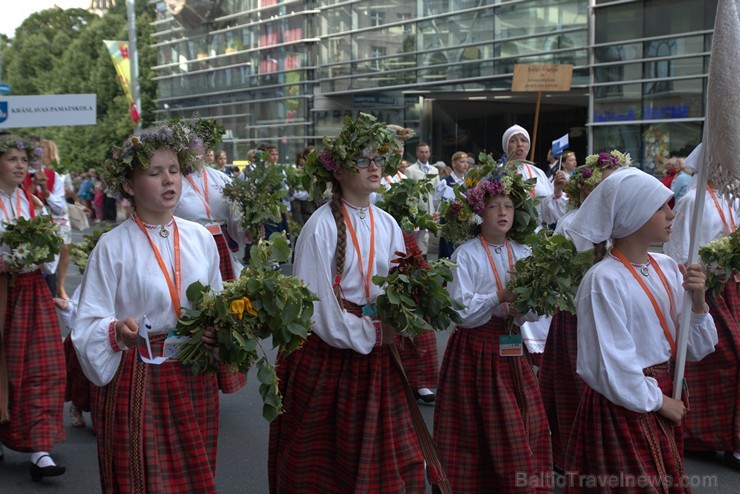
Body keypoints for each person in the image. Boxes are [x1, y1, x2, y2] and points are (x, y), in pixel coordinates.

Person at [269, 113, 427, 493]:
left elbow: (398, 286)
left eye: (377, 158)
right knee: (327, 460)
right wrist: (374, 332)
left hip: (377, 349)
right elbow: (318, 308)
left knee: (384, 452)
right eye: (362, 160)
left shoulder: (387, 222)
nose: (373, 166)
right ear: (338, 171)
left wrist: (399, 319)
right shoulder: (320, 227)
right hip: (331, 353)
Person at [72, 123, 224, 492]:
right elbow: (87, 321)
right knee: (142, 480)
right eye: (155, 173)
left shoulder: (200, 238)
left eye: (174, 170)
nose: (169, 180)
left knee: (194, 477)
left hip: (192, 371)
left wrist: (217, 331)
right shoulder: (112, 246)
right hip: (136, 374)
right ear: (128, 185)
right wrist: (116, 333)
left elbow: (219, 303)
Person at [563, 167, 718, 493]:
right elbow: (608, 363)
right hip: (626, 403)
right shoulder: (603, 279)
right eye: (660, 207)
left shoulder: (666, 268)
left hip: (663, 392)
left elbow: (697, 348)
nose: (670, 213)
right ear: (633, 214)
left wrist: (699, 301)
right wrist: (658, 401)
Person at [435, 166, 552, 492]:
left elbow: (532, 312)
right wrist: (497, 297)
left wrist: (522, 308)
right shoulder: (466, 255)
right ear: (478, 212)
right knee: (477, 424)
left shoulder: (524, 252)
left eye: (509, 206)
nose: (503, 212)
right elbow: (461, 313)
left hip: (512, 346)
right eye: (493, 206)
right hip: (476, 347)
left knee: (523, 418)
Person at [539, 149, 631, 470]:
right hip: (578, 313)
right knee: (572, 384)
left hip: (614, 311)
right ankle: (570, 454)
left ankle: (607, 455)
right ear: (585, 189)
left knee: (614, 383)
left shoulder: (625, 224)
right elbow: (558, 275)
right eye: (599, 186)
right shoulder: (570, 223)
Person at [664, 144, 739, 471]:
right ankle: (708, 435)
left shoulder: (733, 199)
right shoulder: (693, 201)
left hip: (734, 287)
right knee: (723, 358)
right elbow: (679, 252)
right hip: (708, 290)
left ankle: (731, 437)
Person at [0, 135, 67, 481]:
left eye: (24, 160)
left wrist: (43, 253)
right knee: (5, 367)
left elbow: (53, 243)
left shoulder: (32, 202)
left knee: (44, 366)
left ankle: (41, 448)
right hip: (1, 294)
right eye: (12, 158)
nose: (21, 165)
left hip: (31, 291)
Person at [175, 118, 246, 394]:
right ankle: (192, 370)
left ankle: (222, 374)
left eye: (199, 146)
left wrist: (249, 228)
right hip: (190, 249)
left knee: (224, 312)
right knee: (195, 310)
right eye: (189, 147)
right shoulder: (176, 180)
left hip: (220, 250)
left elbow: (235, 221)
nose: (196, 152)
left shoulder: (221, 179)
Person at [404, 142, 440, 256]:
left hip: (431, 211)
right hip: (418, 212)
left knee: (427, 239)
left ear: (430, 154)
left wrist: (437, 209)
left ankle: (423, 264)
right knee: (419, 240)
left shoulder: (434, 170)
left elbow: (437, 192)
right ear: (417, 154)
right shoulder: (410, 170)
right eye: (421, 152)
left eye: (426, 152)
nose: (424, 155)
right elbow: (408, 193)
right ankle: (420, 264)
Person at [436, 151, 469, 259]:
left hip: (464, 223)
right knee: (448, 254)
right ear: (454, 163)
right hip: (449, 223)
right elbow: (436, 202)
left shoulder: (469, 182)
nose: (465, 164)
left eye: (466, 162)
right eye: (462, 161)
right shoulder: (445, 182)